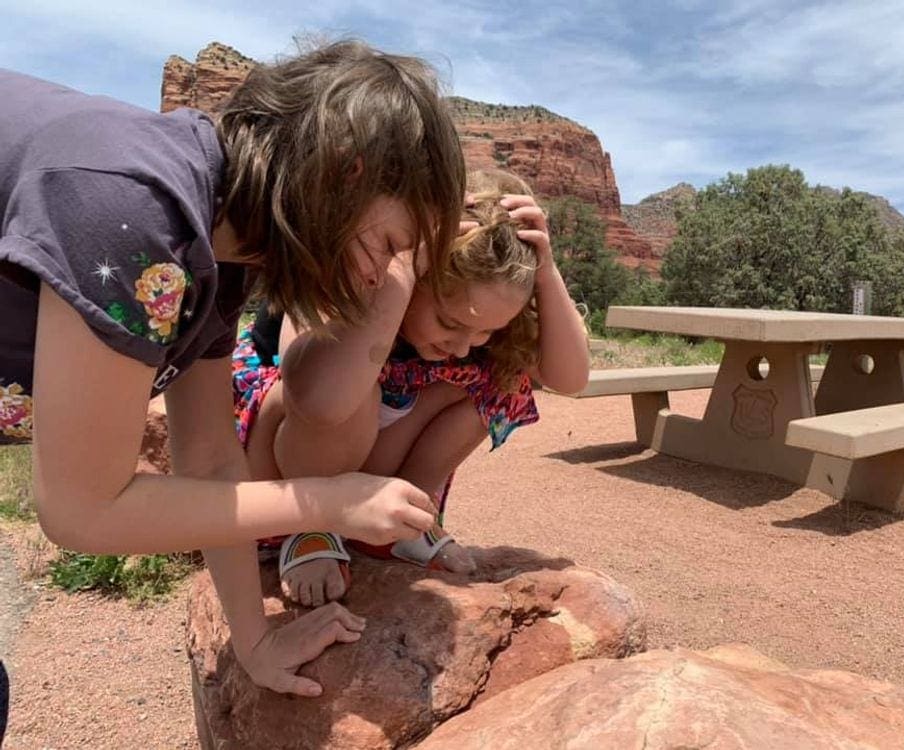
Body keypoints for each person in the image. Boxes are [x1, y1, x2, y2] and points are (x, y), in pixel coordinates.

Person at [0, 38, 466, 697]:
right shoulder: (132, 205)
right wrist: (328, 499)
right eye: (389, 245)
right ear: (346, 173)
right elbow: (81, 510)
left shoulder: (213, 254)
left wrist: (255, 641)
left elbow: (212, 457)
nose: (375, 280)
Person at [232, 169, 590, 606]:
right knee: (352, 379)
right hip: (281, 472)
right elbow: (317, 402)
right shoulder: (348, 278)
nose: (461, 347)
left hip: (363, 466)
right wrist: (402, 263)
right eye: (450, 322)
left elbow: (571, 380)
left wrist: (546, 273)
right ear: (417, 274)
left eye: (483, 333)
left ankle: (401, 521)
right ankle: (310, 528)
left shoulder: (465, 340)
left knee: (500, 380)